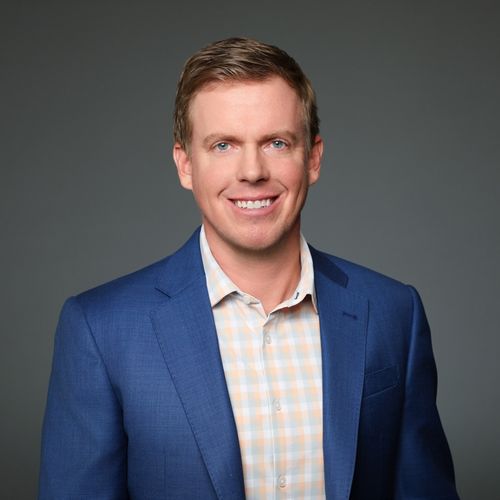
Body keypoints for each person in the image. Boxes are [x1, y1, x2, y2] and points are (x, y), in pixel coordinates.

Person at [39, 37, 459, 499]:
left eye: (277, 142)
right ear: (185, 164)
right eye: (223, 145)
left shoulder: (395, 313)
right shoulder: (101, 330)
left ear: (313, 158)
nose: (252, 171)